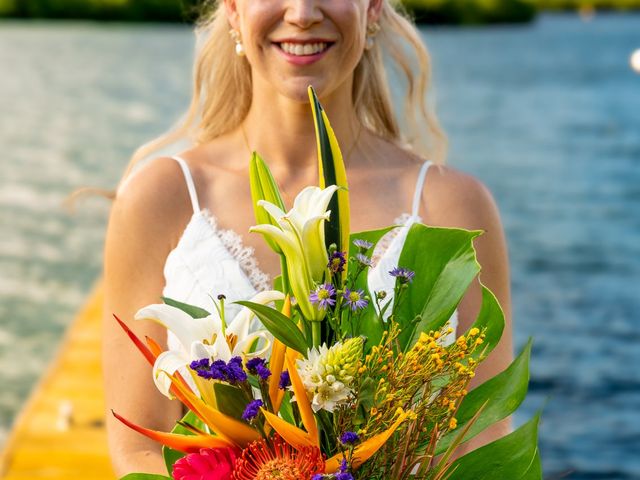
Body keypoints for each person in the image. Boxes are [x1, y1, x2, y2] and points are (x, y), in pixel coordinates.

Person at [101, 0, 513, 476]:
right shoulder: (161, 197)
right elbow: (137, 448)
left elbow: (479, 442)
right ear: (233, 8)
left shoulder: (454, 206)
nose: (301, 13)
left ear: (373, 7)